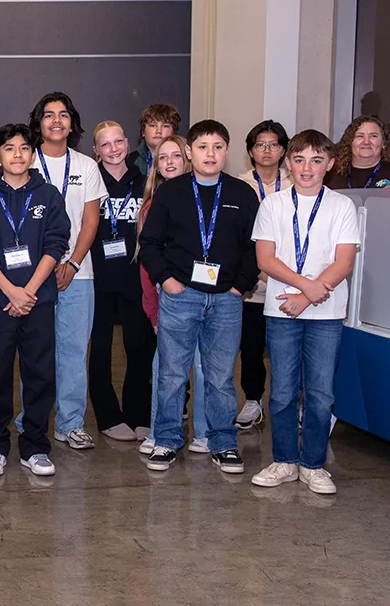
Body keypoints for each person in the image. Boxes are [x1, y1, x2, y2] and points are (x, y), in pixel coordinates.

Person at [139, 120, 260, 474]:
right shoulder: (171, 192)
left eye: (218, 146)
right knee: (172, 374)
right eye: (203, 147)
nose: (210, 153)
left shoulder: (241, 194)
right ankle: (166, 440)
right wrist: (167, 280)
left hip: (226, 298)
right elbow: (149, 243)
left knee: (221, 377)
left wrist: (240, 285)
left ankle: (222, 442)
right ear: (190, 152)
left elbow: (256, 246)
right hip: (181, 295)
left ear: (227, 151)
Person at [250, 129, 360, 495]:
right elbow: (265, 258)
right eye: (299, 160)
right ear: (288, 164)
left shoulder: (342, 206)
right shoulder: (273, 205)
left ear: (329, 164)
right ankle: (284, 460)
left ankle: (313, 464)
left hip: (326, 314)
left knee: (320, 392)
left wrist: (310, 295)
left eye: (316, 160)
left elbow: (344, 261)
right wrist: (305, 288)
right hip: (282, 310)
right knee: (281, 391)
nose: (307, 168)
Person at [0, 123, 70, 477]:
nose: (17, 154)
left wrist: (29, 291)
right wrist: (11, 292)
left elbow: (56, 244)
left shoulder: (49, 195)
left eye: (24, 148)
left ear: (32, 154)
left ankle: (35, 446)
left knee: (40, 374)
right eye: (9, 149)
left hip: (38, 301)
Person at [27, 92, 106, 450]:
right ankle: (34, 417)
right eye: (48, 115)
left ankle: (71, 422)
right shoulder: (25, 161)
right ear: (38, 122)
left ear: (71, 122)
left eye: (63, 114)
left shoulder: (87, 165)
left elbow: (91, 220)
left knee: (74, 350)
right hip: (31, 275)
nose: (56, 120)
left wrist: (73, 262)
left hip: (79, 273)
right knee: (36, 350)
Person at [134, 135, 209, 456]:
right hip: (169, 299)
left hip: (207, 296)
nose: (168, 162)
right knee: (164, 368)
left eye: (175, 156)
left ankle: (205, 434)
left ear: (188, 157)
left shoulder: (207, 198)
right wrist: (152, 311)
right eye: (161, 158)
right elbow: (146, 264)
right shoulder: (152, 204)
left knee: (206, 367)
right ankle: (160, 431)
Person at [86, 121, 153, 442]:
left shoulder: (144, 183)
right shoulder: (89, 183)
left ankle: (139, 413)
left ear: (128, 143)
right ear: (95, 150)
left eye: (118, 142)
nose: (113, 149)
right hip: (96, 276)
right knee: (99, 349)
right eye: (105, 144)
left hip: (134, 277)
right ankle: (108, 416)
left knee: (139, 347)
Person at [233, 120, 293, 431]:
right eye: (260, 145)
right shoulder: (240, 185)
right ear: (251, 151)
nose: (267, 151)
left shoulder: (299, 181)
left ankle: (292, 403)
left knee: (287, 348)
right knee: (252, 346)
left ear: (283, 149)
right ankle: (254, 401)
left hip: (290, 284)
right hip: (252, 286)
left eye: (273, 144)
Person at [325, 115, 390, 189]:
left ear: (383, 143)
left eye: (373, 136)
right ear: (349, 141)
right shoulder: (330, 174)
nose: (366, 142)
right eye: (360, 136)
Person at [128, 104, 181, 175]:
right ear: (143, 131)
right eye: (153, 125)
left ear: (174, 132)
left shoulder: (185, 161)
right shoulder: (129, 162)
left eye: (165, 126)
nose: (158, 131)